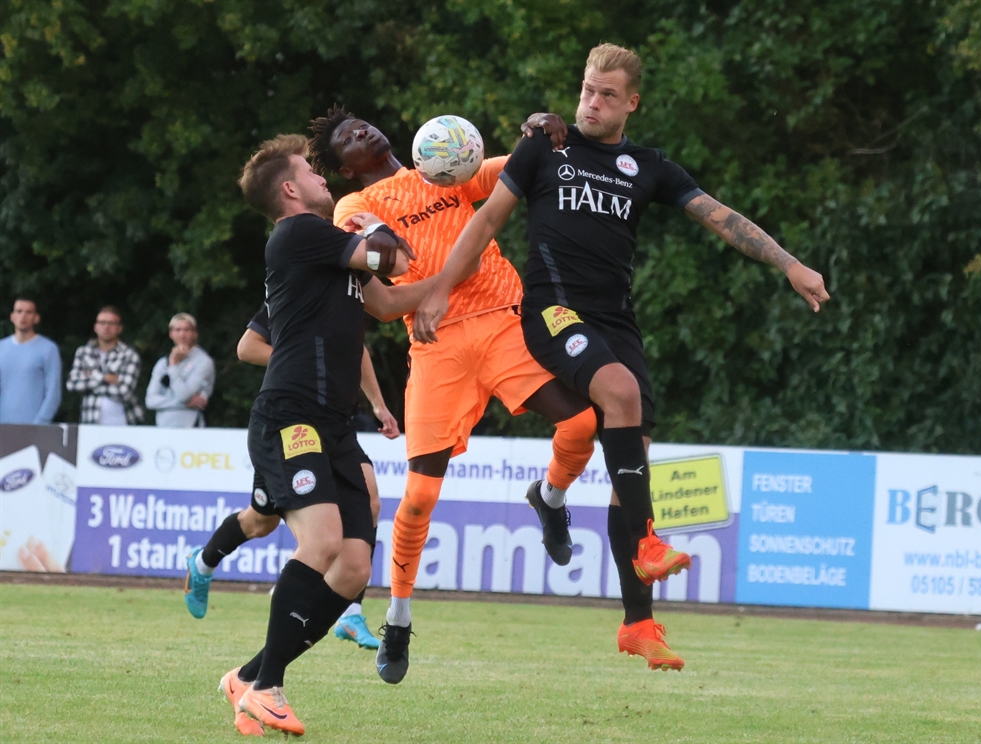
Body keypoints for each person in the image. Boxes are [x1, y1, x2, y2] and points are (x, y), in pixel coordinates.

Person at [414, 43, 831, 671]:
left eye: (607, 95)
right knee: (622, 395)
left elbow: (722, 218)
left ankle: (637, 622)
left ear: (631, 103)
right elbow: (485, 223)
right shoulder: (543, 149)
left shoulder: (647, 166)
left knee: (631, 455)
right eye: (586, 89)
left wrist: (789, 263)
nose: (591, 102)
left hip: (616, 322)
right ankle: (647, 544)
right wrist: (442, 289)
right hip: (553, 310)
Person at [309, 107, 631, 684]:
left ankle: (551, 498)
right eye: (346, 138)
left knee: (583, 424)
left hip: (506, 323)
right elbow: (371, 258)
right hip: (438, 345)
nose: (361, 132)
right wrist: (380, 247)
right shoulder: (355, 206)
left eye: (361, 124)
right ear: (341, 166)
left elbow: (525, 168)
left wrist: (543, 129)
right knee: (419, 500)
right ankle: (400, 617)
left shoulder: (450, 169)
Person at [220, 133, 424, 737]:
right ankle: (268, 688)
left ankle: (250, 675)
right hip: (291, 415)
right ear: (289, 188)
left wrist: (450, 283)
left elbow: (388, 300)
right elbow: (394, 257)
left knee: (355, 566)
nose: (320, 176)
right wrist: (369, 223)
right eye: (310, 169)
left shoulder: (322, 250)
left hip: (332, 424)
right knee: (323, 542)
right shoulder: (299, 232)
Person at [183, 301, 399, 656]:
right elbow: (247, 347)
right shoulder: (294, 290)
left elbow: (354, 350)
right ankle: (204, 562)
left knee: (370, 499)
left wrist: (377, 403)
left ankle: (351, 611)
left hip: (335, 425)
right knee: (260, 522)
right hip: (291, 423)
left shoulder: (346, 295)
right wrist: (303, 366)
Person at [66, 306, 144, 425]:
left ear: (119, 328)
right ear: (96, 327)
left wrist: (91, 376)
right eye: (102, 322)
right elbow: (72, 384)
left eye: (111, 323)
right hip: (90, 421)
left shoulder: (129, 355)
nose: (106, 327)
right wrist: (104, 378)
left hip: (124, 423)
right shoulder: (83, 352)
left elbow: (125, 392)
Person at [145, 313, 215, 427]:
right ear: (171, 334)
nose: (182, 334)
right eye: (178, 330)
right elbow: (150, 400)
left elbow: (183, 395)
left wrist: (173, 365)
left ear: (194, 333)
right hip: (164, 426)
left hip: (191, 425)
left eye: (187, 330)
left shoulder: (203, 361)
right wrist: (183, 404)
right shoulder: (162, 363)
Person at [0, 297, 62, 424]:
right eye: (19, 311)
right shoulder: (2, 347)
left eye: (29, 312)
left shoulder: (48, 349)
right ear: (12, 316)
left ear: (36, 318)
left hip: (34, 427)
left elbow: (53, 391)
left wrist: (40, 423)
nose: (23, 316)